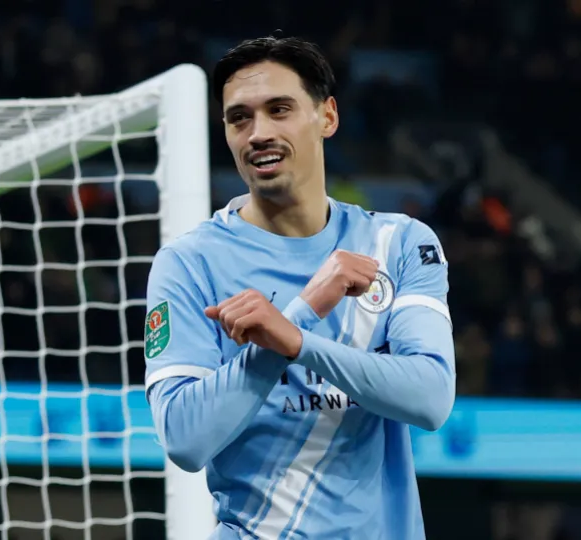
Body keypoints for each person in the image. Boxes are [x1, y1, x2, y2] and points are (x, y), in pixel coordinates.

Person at [144, 35, 456, 540]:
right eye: (239, 118)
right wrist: (305, 311)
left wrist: (293, 339)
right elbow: (184, 438)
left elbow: (430, 397)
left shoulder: (397, 241)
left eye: (279, 109)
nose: (258, 133)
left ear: (327, 117)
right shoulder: (188, 263)